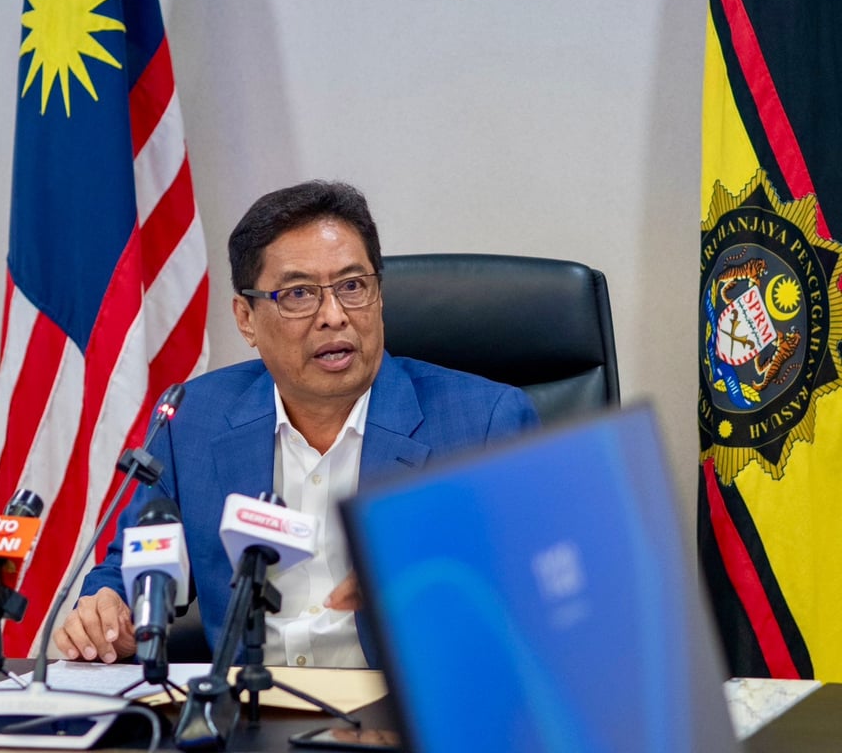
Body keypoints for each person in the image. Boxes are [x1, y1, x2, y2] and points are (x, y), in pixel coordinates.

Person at [53, 180, 538, 668]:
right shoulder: (193, 420)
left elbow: (540, 593)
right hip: (247, 701)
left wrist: (435, 580)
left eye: (353, 286)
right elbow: (133, 567)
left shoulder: (482, 426)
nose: (334, 316)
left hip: (399, 702)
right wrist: (108, 611)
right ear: (246, 319)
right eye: (299, 294)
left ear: (379, 296)